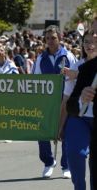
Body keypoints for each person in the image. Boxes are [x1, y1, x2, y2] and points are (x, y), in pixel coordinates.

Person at [32, 25, 76, 179]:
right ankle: (48, 163)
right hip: (46, 103)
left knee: (66, 133)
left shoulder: (68, 56)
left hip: (65, 100)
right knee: (43, 133)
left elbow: (75, 78)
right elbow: (35, 81)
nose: (50, 41)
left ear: (60, 38)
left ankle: (66, 165)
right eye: (48, 38)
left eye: (53, 38)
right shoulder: (40, 58)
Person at [64, 31, 96, 190]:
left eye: (94, 41)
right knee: (75, 153)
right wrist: (59, 126)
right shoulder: (77, 66)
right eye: (86, 42)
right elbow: (66, 98)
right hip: (80, 117)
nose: (90, 45)